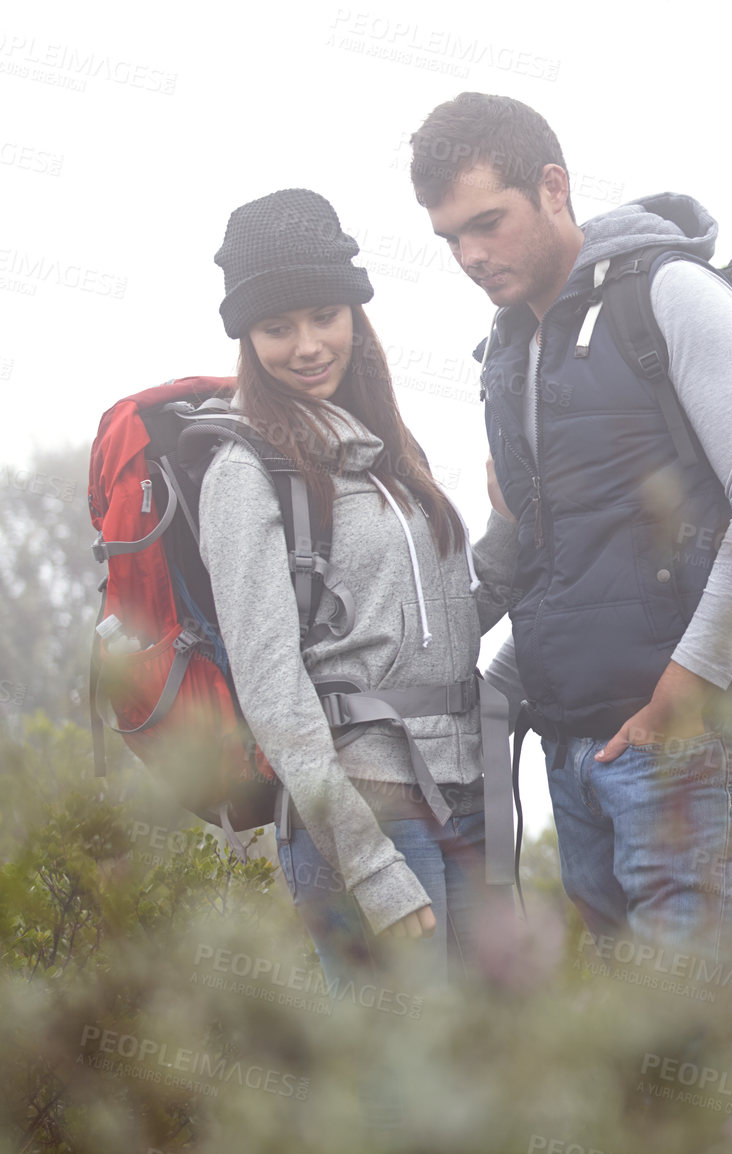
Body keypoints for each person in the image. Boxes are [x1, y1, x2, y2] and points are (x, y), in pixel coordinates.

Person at [409, 93, 732, 1149]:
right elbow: (525, 550)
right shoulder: (506, 353)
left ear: (554, 186)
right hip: (574, 750)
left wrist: (690, 685)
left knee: (694, 1052)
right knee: (658, 1061)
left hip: (687, 744)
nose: (468, 253)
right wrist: (422, 653)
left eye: (487, 221)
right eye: (449, 236)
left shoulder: (668, 294)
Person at [200, 188, 519, 997]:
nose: (306, 346)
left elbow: (440, 635)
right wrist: (369, 864)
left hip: (460, 801)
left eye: (323, 316)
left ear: (354, 313)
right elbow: (273, 690)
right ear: (247, 337)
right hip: (367, 817)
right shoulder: (244, 474)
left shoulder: (385, 456)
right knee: (400, 1104)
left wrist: (511, 532)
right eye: (277, 328)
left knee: (483, 1088)